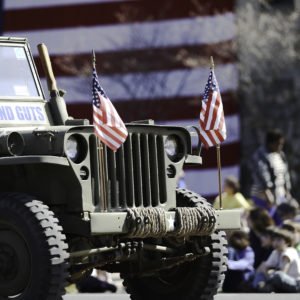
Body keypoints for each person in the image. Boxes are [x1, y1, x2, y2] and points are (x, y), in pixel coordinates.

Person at [250, 129, 293, 217]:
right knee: (265, 221)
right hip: (263, 196)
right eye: (278, 144)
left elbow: (285, 174)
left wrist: (287, 190)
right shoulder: (260, 155)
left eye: (281, 144)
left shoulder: (281, 155)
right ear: (271, 143)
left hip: (279, 195)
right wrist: (267, 193)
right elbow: (261, 174)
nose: (280, 146)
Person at [253, 227, 300, 293]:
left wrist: (269, 274)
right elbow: (264, 267)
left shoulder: (290, 251)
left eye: (279, 240)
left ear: (287, 242)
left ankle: (265, 288)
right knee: (260, 273)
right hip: (280, 282)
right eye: (274, 240)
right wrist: (268, 273)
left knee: (278, 275)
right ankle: (258, 287)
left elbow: (283, 272)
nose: (275, 243)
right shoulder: (275, 252)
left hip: (295, 283)